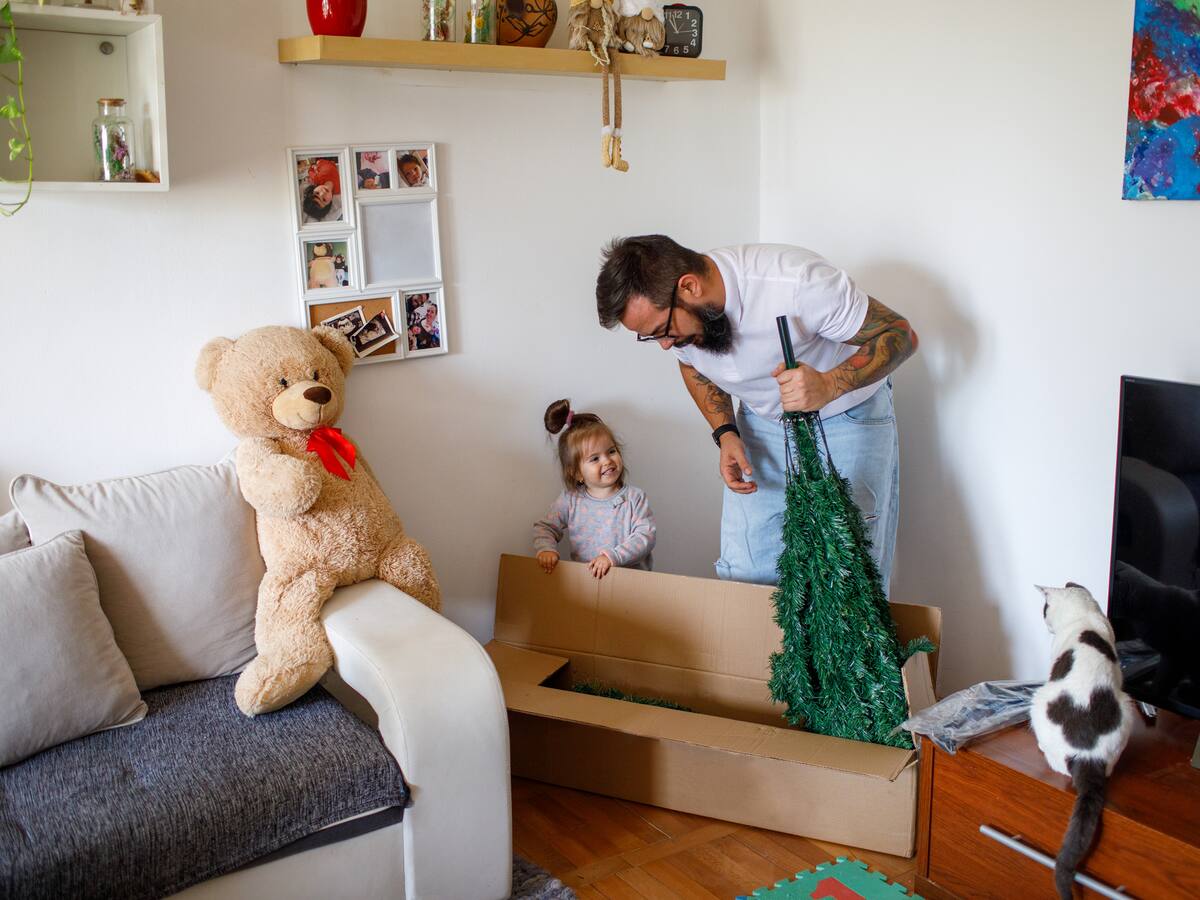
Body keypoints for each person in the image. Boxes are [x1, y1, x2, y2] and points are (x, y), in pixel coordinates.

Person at [595, 236, 918, 594]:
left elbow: (901, 334)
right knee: (747, 570)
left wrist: (830, 384)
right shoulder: (683, 325)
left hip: (846, 416)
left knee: (850, 576)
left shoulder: (797, 283)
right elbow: (693, 367)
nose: (666, 344)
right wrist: (726, 433)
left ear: (689, 286)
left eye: (661, 332)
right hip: (761, 424)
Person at [533, 399, 656, 579]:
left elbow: (645, 536)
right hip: (586, 585)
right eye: (595, 458)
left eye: (611, 451)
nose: (607, 460)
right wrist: (546, 550)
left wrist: (612, 557)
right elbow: (545, 527)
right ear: (577, 473)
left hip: (631, 584)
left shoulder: (634, 498)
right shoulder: (570, 500)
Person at [301, 157, 342, 222]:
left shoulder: (316, 179)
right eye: (324, 199)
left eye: (317, 193)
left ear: (313, 188)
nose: (322, 193)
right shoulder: (340, 189)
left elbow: (310, 170)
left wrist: (315, 165)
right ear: (330, 202)